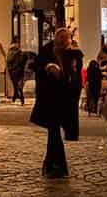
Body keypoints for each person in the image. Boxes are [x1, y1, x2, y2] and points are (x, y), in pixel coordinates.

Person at [30, 28, 76, 179]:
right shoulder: (47, 51)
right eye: (60, 38)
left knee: (54, 132)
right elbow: (36, 66)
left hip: (63, 100)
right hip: (49, 99)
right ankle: (57, 165)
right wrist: (46, 68)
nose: (62, 41)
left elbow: (74, 77)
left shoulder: (72, 54)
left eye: (65, 38)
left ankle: (51, 164)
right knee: (54, 131)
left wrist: (64, 74)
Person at [6, 37, 27, 105]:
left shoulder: (12, 50)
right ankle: (19, 97)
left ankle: (18, 97)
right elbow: (10, 59)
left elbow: (9, 60)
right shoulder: (16, 50)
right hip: (16, 69)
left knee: (16, 84)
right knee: (17, 84)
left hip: (14, 69)